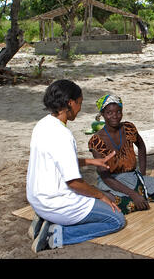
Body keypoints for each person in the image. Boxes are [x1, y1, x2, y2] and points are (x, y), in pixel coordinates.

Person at [26, 80, 125, 253]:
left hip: (37, 199)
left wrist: (91, 161)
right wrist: (101, 196)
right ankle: (54, 235)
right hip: (56, 203)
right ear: (70, 103)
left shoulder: (43, 124)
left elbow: (56, 160)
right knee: (116, 219)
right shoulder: (63, 135)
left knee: (99, 197)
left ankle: (45, 222)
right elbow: (74, 183)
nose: (79, 108)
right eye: (79, 103)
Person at [88, 94, 154, 215]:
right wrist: (133, 194)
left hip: (132, 176)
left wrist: (142, 174)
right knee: (129, 204)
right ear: (102, 114)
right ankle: (102, 192)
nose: (115, 116)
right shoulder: (96, 141)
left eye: (118, 112)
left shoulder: (129, 128)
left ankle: (137, 193)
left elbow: (141, 147)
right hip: (112, 181)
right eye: (109, 113)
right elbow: (105, 176)